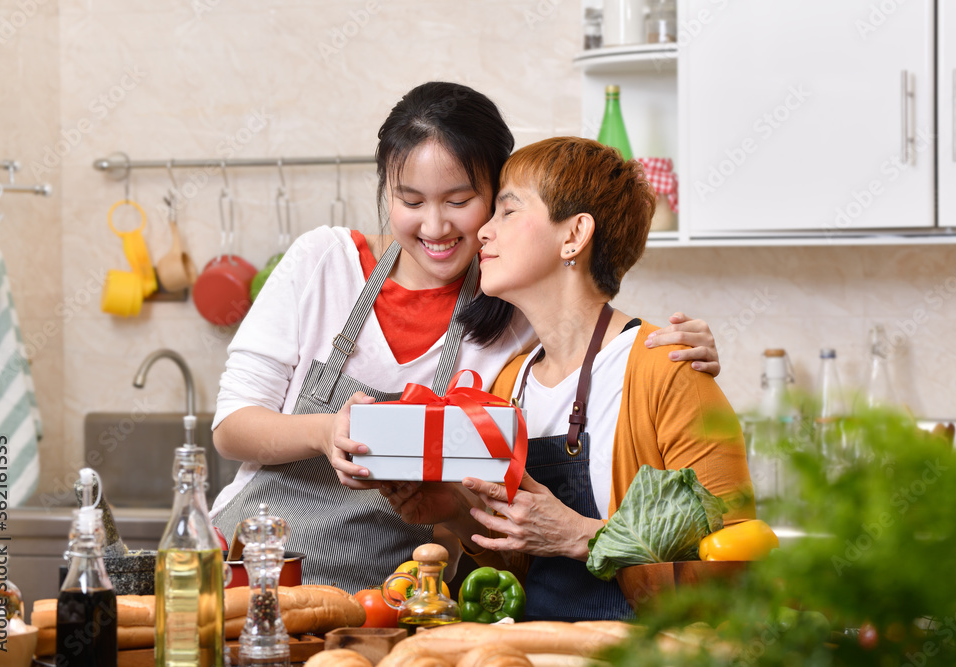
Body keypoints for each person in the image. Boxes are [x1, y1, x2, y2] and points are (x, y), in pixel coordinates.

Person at [210, 82, 723, 593]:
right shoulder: (325, 262)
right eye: (410, 200)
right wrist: (326, 434)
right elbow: (231, 427)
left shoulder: (518, 324)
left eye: (463, 201)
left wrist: (674, 348)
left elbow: (591, 318)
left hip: (386, 600)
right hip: (242, 564)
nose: (436, 226)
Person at [375, 136, 755, 620]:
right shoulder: (509, 384)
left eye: (506, 212)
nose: (483, 233)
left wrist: (580, 535)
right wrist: (452, 509)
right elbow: (515, 564)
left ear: (574, 235)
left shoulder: (667, 369)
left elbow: (732, 567)